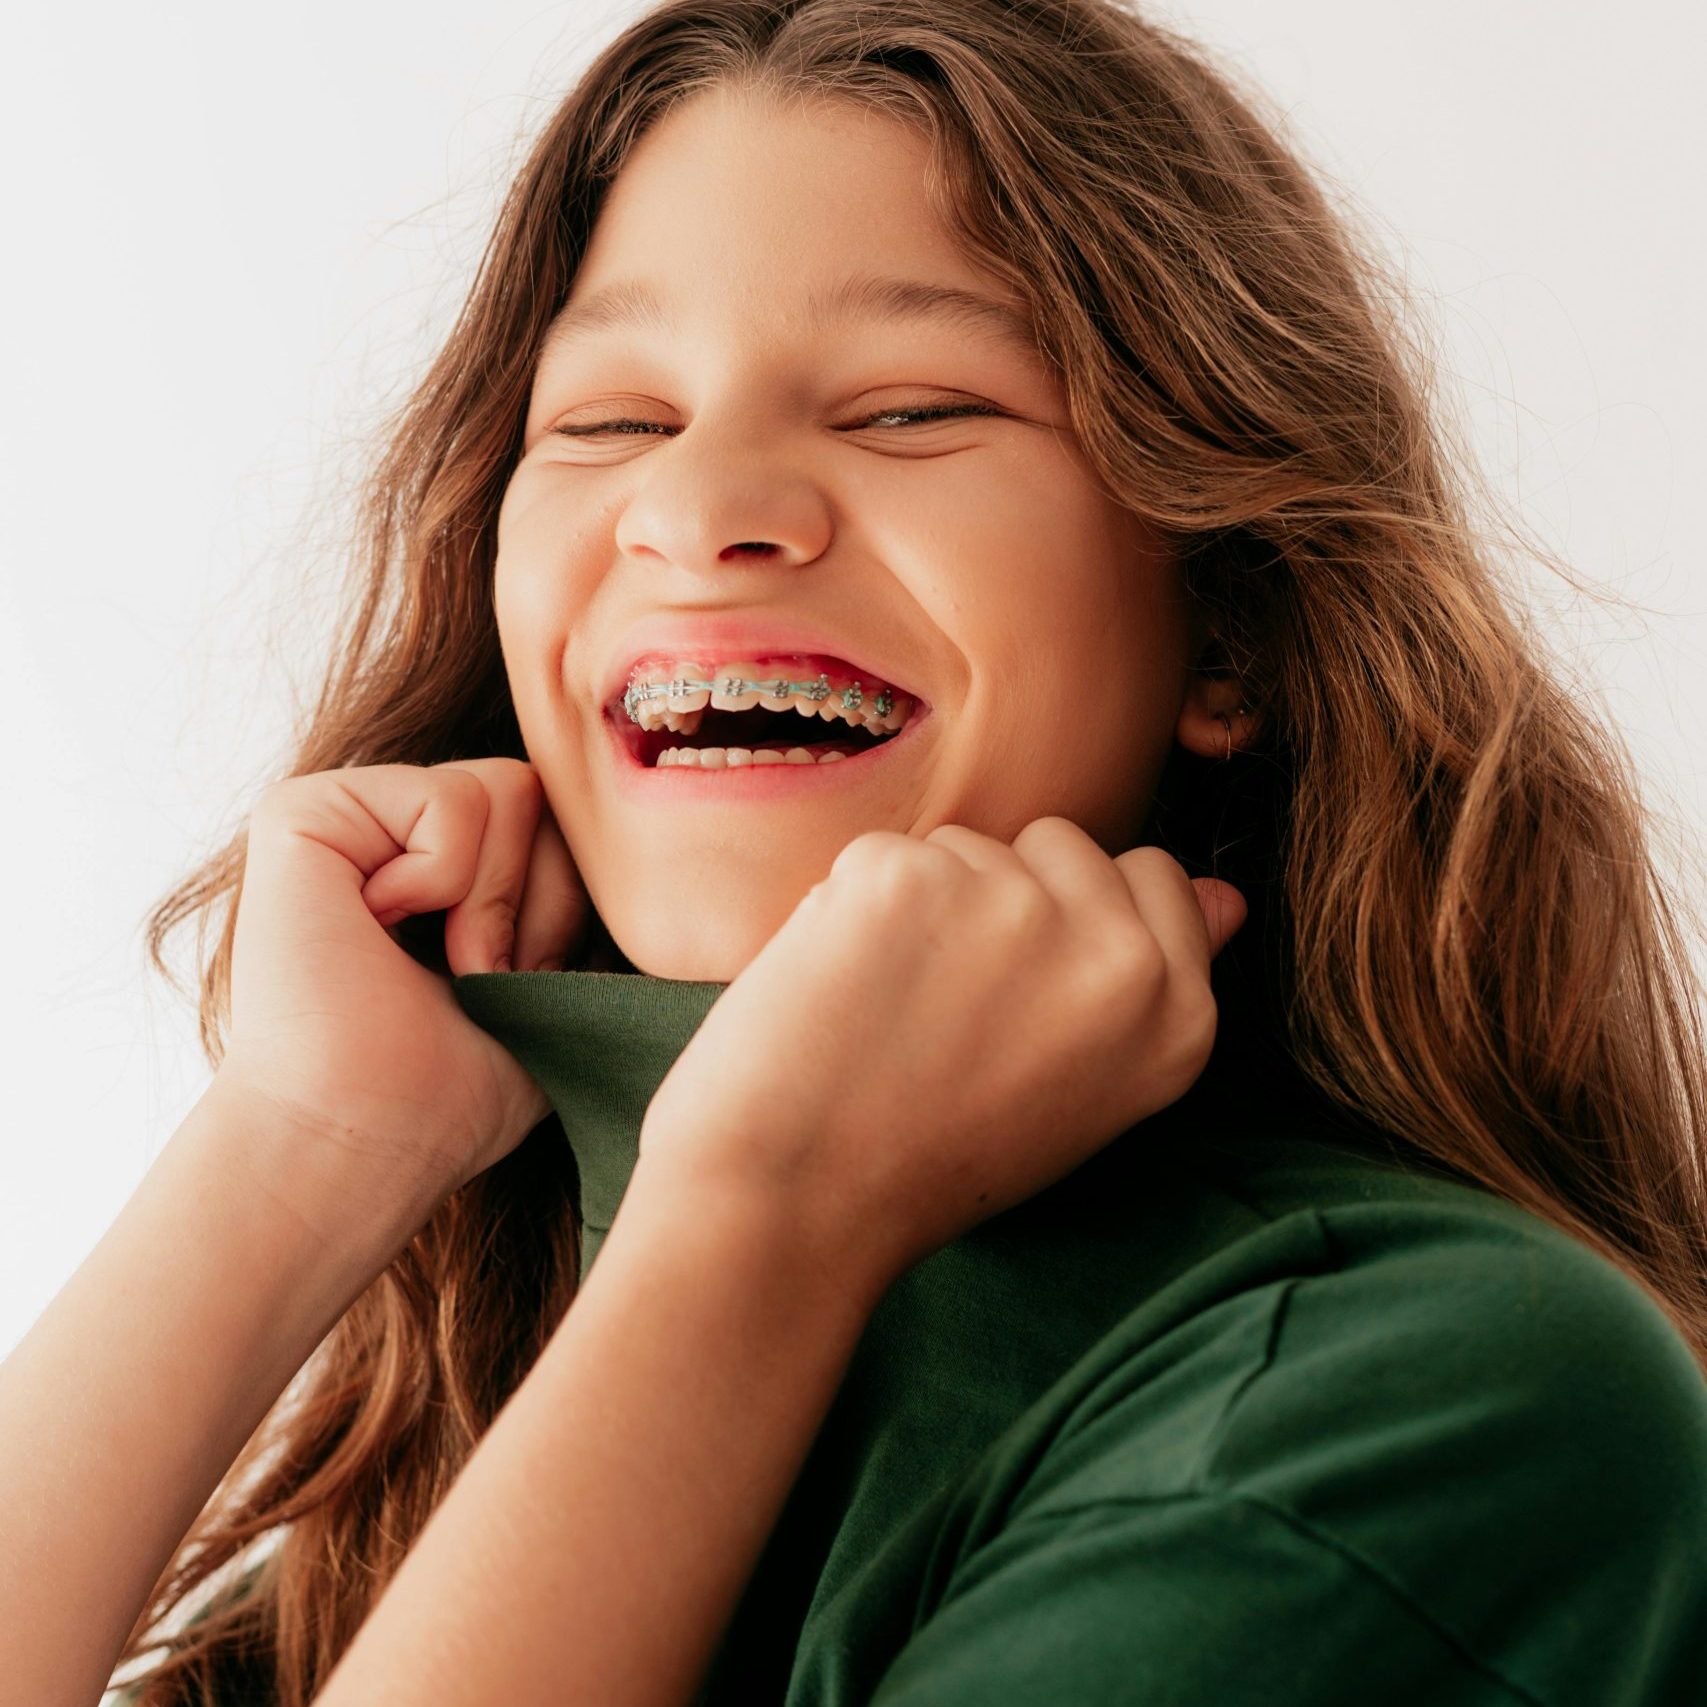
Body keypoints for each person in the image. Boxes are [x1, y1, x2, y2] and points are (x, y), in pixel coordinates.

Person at [4, 0, 1703, 1701]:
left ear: (1235, 621)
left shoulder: (1426, 1404)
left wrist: (761, 1207)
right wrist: (298, 1147)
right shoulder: (472, 1450)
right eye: (609, 421)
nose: (698, 506)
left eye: (909, 410)